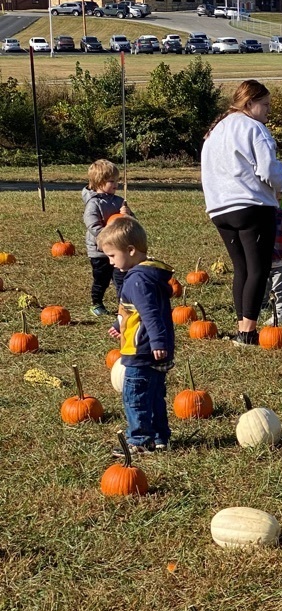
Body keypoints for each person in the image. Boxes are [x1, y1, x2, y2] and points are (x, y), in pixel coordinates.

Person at [201, 80, 282, 347]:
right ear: (249, 104)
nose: (267, 111)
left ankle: (242, 326)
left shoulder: (216, 130)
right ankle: (248, 332)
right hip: (251, 205)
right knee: (258, 269)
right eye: (265, 105)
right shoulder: (255, 128)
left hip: (219, 207)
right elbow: (267, 169)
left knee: (241, 268)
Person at [97, 217, 174, 455]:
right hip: (152, 348)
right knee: (154, 396)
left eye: (112, 256)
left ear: (130, 250)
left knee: (136, 397)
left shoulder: (137, 279)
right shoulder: (146, 276)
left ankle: (140, 440)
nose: (110, 262)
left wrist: (157, 341)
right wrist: (119, 323)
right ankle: (160, 437)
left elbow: (151, 314)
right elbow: (132, 311)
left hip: (142, 350)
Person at [82, 159, 132, 317]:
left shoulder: (119, 201)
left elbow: (132, 223)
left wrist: (127, 215)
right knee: (101, 279)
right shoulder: (93, 203)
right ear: (98, 182)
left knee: (121, 277)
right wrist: (107, 237)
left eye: (117, 180)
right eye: (112, 181)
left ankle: (123, 305)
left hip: (119, 249)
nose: (116, 184)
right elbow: (92, 225)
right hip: (100, 251)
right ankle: (97, 302)